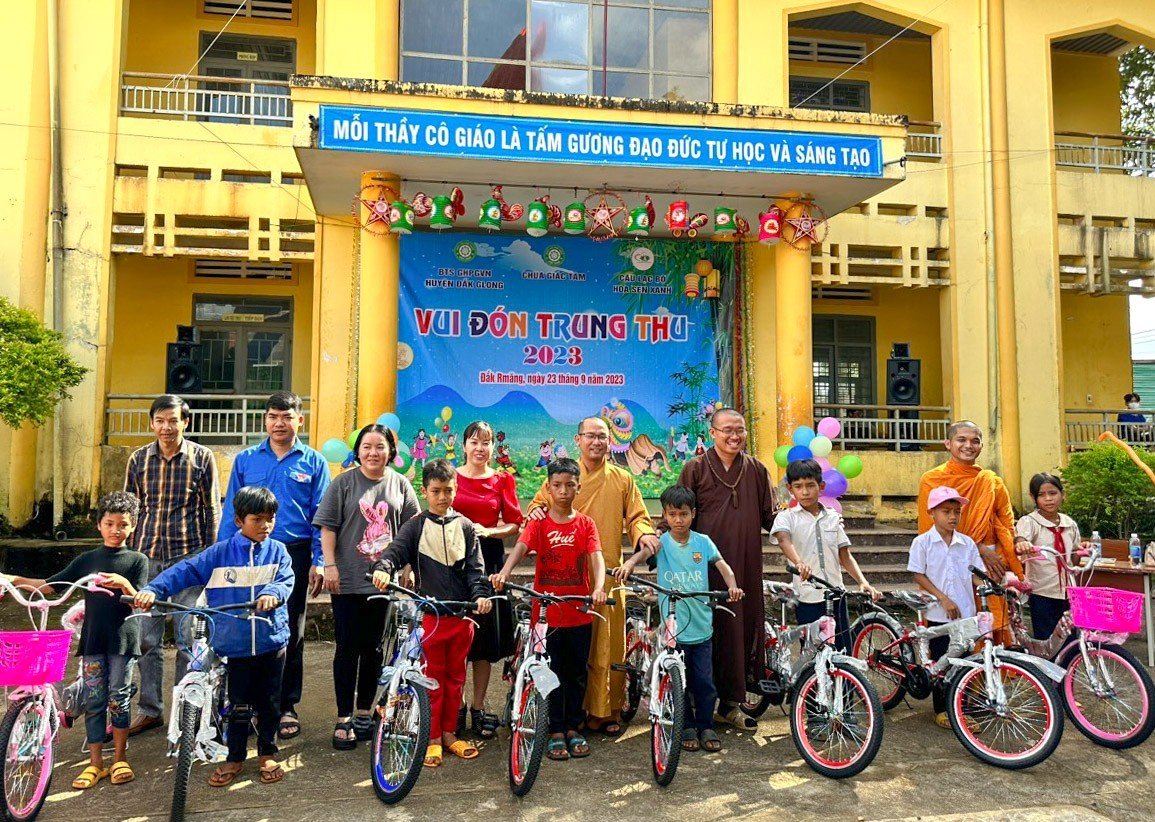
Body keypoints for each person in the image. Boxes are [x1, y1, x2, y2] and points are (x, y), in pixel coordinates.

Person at [134, 486, 294, 786]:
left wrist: (272, 593)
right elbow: (184, 571)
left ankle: (267, 752)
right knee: (238, 705)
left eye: (270, 519)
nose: (265, 525)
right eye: (257, 519)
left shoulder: (278, 552)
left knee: (270, 702)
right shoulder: (219, 553)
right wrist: (153, 589)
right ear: (239, 520)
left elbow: (285, 581)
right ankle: (235, 757)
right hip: (235, 645)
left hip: (271, 641)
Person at [4, 492, 148, 790]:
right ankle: (95, 764)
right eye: (109, 523)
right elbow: (49, 586)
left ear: (133, 526)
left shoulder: (137, 560)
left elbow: (140, 600)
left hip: (122, 642)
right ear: (99, 525)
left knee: (118, 699)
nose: (116, 530)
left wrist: (124, 584)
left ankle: (120, 758)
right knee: (94, 701)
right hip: (93, 642)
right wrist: (11, 579)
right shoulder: (87, 560)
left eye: (123, 524)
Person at [529, 417, 658, 736]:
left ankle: (603, 711)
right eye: (590, 436)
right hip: (564, 577)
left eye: (602, 436)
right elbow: (538, 508)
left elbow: (637, 517)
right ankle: (560, 715)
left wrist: (644, 534)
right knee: (562, 650)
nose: (597, 442)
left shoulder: (622, 478)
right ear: (578, 440)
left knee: (605, 647)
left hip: (606, 576)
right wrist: (534, 512)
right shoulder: (565, 477)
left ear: (610, 441)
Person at [218, 391, 330, 741]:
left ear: (300, 420)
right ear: (265, 420)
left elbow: (321, 516)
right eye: (272, 416)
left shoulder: (314, 462)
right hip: (248, 553)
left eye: (286, 417)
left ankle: (285, 705)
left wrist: (320, 560)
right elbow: (230, 512)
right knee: (246, 627)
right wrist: (222, 557)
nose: (279, 423)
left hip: (294, 554)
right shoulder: (246, 460)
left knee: (290, 631)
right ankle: (247, 706)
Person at [370, 459, 493, 767]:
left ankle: (450, 734)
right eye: (436, 491)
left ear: (456, 490)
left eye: (448, 490)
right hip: (431, 618)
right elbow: (394, 553)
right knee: (432, 680)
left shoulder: (465, 527)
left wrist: (481, 596)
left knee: (456, 679)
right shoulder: (415, 526)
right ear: (424, 491)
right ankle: (432, 738)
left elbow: (476, 571)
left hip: (462, 617)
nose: (442, 497)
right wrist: (383, 569)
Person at [313, 423, 420, 750]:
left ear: (391, 451)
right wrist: (330, 565)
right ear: (358, 451)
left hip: (383, 581)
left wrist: (408, 567)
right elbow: (328, 528)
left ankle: (364, 711)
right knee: (347, 647)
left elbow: (411, 530)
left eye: (380, 446)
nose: (373, 453)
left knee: (373, 648)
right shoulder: (343, 483)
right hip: (346, 578)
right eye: (367, 447)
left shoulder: (401, 484)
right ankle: (343, 716)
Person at [493, 458, 608, 761]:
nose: (563, 491)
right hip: (545, 616)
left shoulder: (585, 524)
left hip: (579, 612)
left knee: (576, 673)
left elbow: (596, 556)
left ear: (578, 487)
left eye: (570, 485)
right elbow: (520, 547)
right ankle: (554, 729)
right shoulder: (539, 523)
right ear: (548, 487)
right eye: (557, 485)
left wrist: (598, 587)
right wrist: (504, 571)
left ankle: (573, 726)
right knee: (548, 673)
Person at [613, 485, 743, 753]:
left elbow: (723, 566)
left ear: (693, 513)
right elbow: (642, 554)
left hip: (702, 628)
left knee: (704, 683)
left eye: (683, 514)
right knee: (677, 682)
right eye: (672, 514)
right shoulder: (661, 544)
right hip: (673, 630)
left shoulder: (703, 542)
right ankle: (686, 726)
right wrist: (629, 564)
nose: (678, 520)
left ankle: (705, 725)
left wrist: (733, 587)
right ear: (665, 515)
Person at [669, 408, 776, 730]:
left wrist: (802, 522)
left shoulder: (756, 470)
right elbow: (678, 512)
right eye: (727, 430)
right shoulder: (695, 468)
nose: (734, 436)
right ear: (712, 433)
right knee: (698, 632)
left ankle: (730, 705)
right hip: (699, 569)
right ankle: (693, 708)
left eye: (739, 430)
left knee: (737, 630)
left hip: (742, 568)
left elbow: (771, 517)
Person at [123, 394, 221, 735]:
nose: (167, 427)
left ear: (185, 422)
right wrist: (127, 556)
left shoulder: (202, 457)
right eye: (160, 421)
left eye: (173, 420)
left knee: (187, 638)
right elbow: (130, 509)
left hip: (188, 559)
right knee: (145, 640)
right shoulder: (138, 459)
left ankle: (185, 710)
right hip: (146, 558)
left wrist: (210, 559)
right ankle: (151, 709)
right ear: (152, 423)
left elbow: (211, 509)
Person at [916, 421, 1022, 644]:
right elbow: (930, 527)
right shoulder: (932, 479)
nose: (968, 445)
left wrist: (1002, 556)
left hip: (989, 562)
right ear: (948, 443)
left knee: (988, 619)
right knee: (950, 625)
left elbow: (1006, 523)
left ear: (981, 446)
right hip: (948, 559)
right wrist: (978, 547)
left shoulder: (991, 482)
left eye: (975, 441)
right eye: (961, 440)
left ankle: (987, 662)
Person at [453, 421, 523, 740]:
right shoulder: (451, 476)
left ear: (493, 447)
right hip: (454, 560)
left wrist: (489, 531)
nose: (480, 448)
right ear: (464, 445)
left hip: (490, 561)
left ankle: (478, 707)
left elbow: (514, 523)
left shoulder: (502, 479)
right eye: (474, 442)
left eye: (486, 442)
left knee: (484, 639)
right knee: (456, 637)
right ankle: (456, 706)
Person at [771, 459, 880, 651]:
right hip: (808, 597)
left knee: (843, 651)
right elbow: (783, 540)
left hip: (836, 594)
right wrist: (799, 563)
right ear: (790, 489)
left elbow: (844, 555)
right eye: (798, 486)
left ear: (821, 487)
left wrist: (863, 582)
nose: (805, 492)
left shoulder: (832, 517)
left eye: (810, 485)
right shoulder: (786, 517)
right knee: (814, 653)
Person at [907, 486, 983, 728]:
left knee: (965, 660)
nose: (952, 516)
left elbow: (976, 575)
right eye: (946, 511)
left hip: (965, 612)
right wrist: (943, 598)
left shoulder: (967, 543)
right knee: (943, 661)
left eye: (956, 512)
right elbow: (918, 574)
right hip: (939, 614)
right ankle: (942, 709)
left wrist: (990, 587)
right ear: (932, 513)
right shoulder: (922, 542)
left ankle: (961, 707)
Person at [1012, 473, 1083, 640]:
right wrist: (1022, 544)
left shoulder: (1069, 524)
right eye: (1042, 495)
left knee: (1070, 638)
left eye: (1053, 493)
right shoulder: (1030, 522)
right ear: (1033, 498)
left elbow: (1073, 559)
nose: (1048, 499)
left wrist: (1081, 551)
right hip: (1042, 592)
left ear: (1062, 494)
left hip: (1068, 592)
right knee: (1046, 638)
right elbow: (1020, 539)